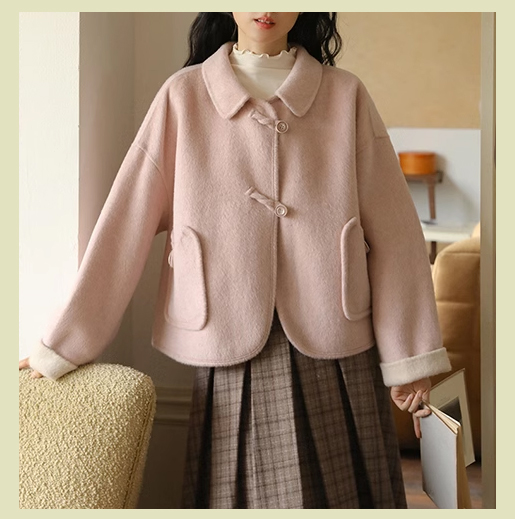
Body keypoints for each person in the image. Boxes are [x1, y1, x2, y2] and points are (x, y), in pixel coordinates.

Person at [20, 12, 452, 509]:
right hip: (229, 338)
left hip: (337, 340)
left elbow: (396, 235)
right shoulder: (183, 97)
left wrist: (410, 357)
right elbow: (125, 222)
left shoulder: (345, 96)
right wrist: (66, 344)